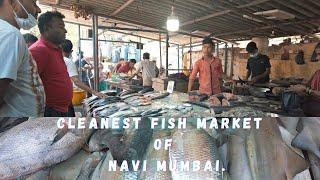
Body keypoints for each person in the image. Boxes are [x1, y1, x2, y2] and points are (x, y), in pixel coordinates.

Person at [0, 0, 45, 117]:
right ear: (13, 2)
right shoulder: (10, 35)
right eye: (33, 2)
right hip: (14, 128)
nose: (38, 10)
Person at [29, 11, 73, 117]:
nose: (65, 30)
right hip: (50, 111)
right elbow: (28, 85)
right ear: (47, 28)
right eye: (61, 26)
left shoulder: (56, 49)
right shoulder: (39, 50)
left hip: (62, 109)